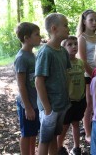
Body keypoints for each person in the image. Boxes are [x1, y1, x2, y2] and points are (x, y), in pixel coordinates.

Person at [35, 13, 71, 155]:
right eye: (66, 25)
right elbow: (39, 81)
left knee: (54, 137)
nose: (68, 28)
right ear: (54, 28)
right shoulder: (45, 52)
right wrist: (47, 108)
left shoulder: (63, 51)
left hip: (61, 103)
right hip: (50, 106)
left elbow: (66, 74)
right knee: (44, 140)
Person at [14, 22, 41, 155]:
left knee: (33, 131)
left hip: (35, 101)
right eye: (36, 34)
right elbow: (21, 84)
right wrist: (28, 107)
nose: (40, 37)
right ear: (26, 38)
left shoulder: (32, 55)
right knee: (26, 133)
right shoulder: (21, 58)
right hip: (27, 103)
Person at [57, 36, 86, 155]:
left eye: (75, 44)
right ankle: (59, 148)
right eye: (70, 44)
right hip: (68, 101)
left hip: (80, 99)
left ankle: (76, 147)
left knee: (76, 123)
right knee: (64, 126)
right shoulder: (62, 63)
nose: (74, 46)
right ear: (63, 48)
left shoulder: (80, 62)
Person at [76, 9, 96, 143]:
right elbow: (83, 61)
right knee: (89, 105)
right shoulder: (82, 38)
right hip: (88, 75)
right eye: (91, 20)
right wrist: (94, 75)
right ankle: (88, 133)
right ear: (84, 22)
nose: (94, 22)